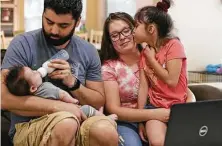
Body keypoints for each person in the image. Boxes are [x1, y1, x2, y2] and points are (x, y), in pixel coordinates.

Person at [1, 0, 119, 146]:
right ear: (43, 15)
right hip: (31, 125)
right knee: (66, 124)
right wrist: (62, 107)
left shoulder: (88, 51)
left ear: (77, 22)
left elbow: (98, 100)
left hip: (82, 118)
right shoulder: (22, 44)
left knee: (105, 132)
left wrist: (73, 84)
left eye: (63, 25)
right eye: (49, 22)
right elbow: (3, 98)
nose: (54, 30)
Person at [100, 12, 195, 146]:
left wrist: (189, 103)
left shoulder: (152, 53)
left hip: (167, 112)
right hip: (129, 120)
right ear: (109, 41)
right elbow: (113, 109)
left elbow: (177, 84)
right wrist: (151, 115)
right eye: (115, 35)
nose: (122, 37)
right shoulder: (109, 68)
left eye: (126, 30)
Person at [134, 1, 187, 145]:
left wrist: (152, 60)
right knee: (157, 142)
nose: (133, 30)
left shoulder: (174, 45)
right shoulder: (144, 54)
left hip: (179, 108)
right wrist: (140, 120)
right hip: (155, 108)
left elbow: (171, 80)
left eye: (136, 26)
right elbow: (143, 88)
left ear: (151, 29)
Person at [6, 66, 118, 120]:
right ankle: (104, 118)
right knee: (87, 109)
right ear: (33, 88)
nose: (36, 71)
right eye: (33, 73)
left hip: (52, 118)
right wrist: (73, 101)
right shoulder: (46, 88)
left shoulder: (32, 96)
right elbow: (62, 95)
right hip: (68, 112)